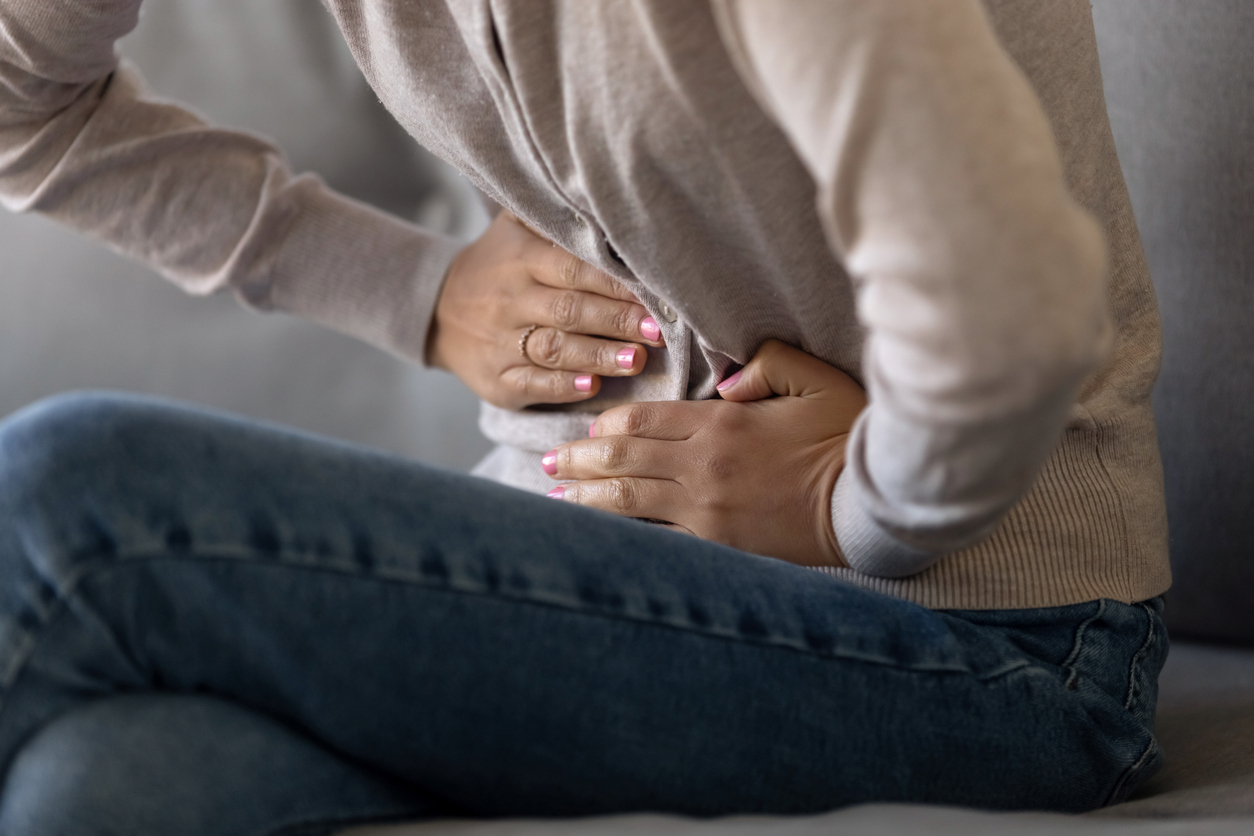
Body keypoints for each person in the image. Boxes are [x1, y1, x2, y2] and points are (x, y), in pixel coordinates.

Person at [0, 1, 1170, 833]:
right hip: (573, 570)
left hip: (992, 636)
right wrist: (413, 286)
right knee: (102, 790)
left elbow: (1014, 286)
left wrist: (860, 497)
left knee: (71, 490)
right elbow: (19, 96)